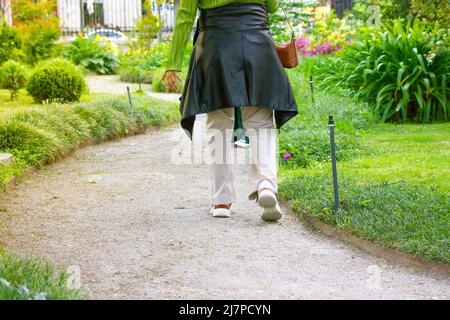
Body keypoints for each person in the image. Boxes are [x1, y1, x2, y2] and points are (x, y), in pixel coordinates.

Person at [162, 0, 298, 221]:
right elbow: (272, 6)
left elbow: (185, 16)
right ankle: (266, 185)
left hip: (216, 48)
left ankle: (221, 201)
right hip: (257, 46)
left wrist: (172, 63)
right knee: (260, 122)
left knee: (219, 125)